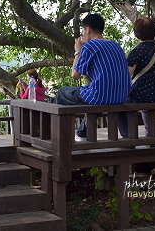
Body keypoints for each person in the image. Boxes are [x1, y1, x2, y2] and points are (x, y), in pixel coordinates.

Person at [54, 13, 130, 142]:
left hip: (101, 96)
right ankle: (82, 134)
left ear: (87, 29)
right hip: (121, 96)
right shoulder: (116, 46)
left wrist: (78, 51)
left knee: (61, 93)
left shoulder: (90, 46)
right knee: (93, 94)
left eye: (84, 30)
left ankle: (58, 137)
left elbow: (75, 75)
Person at [117, 18, 155, 137]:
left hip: (142, 95)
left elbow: (126, 74)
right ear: (154, 31)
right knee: (147, 99)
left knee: (119, 103)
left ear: (136, 34)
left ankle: (128, 137)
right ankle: (151, 135)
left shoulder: (137, 52)